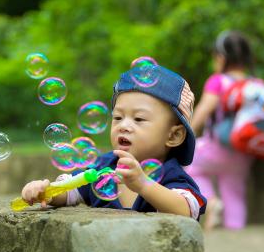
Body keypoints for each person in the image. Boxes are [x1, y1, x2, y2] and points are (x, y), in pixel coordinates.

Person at [21, 65, 207, 220]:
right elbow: (70, 192)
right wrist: (45, 192)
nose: (123, 125)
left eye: (139, 119)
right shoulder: (103, 167)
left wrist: (143, 184)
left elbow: (187, 211)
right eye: (118, 117)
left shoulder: (171, 175)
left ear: (173, 136)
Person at [186, 30, 254, 230]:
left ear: (221, 57)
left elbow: (204, 110)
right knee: (234, 193)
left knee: (189, 166)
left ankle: (210, 201)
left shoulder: (218, 81)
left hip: (216, 148)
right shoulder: (255, 84)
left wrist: (185, 133)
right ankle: (236, 233)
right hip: (244, 153)